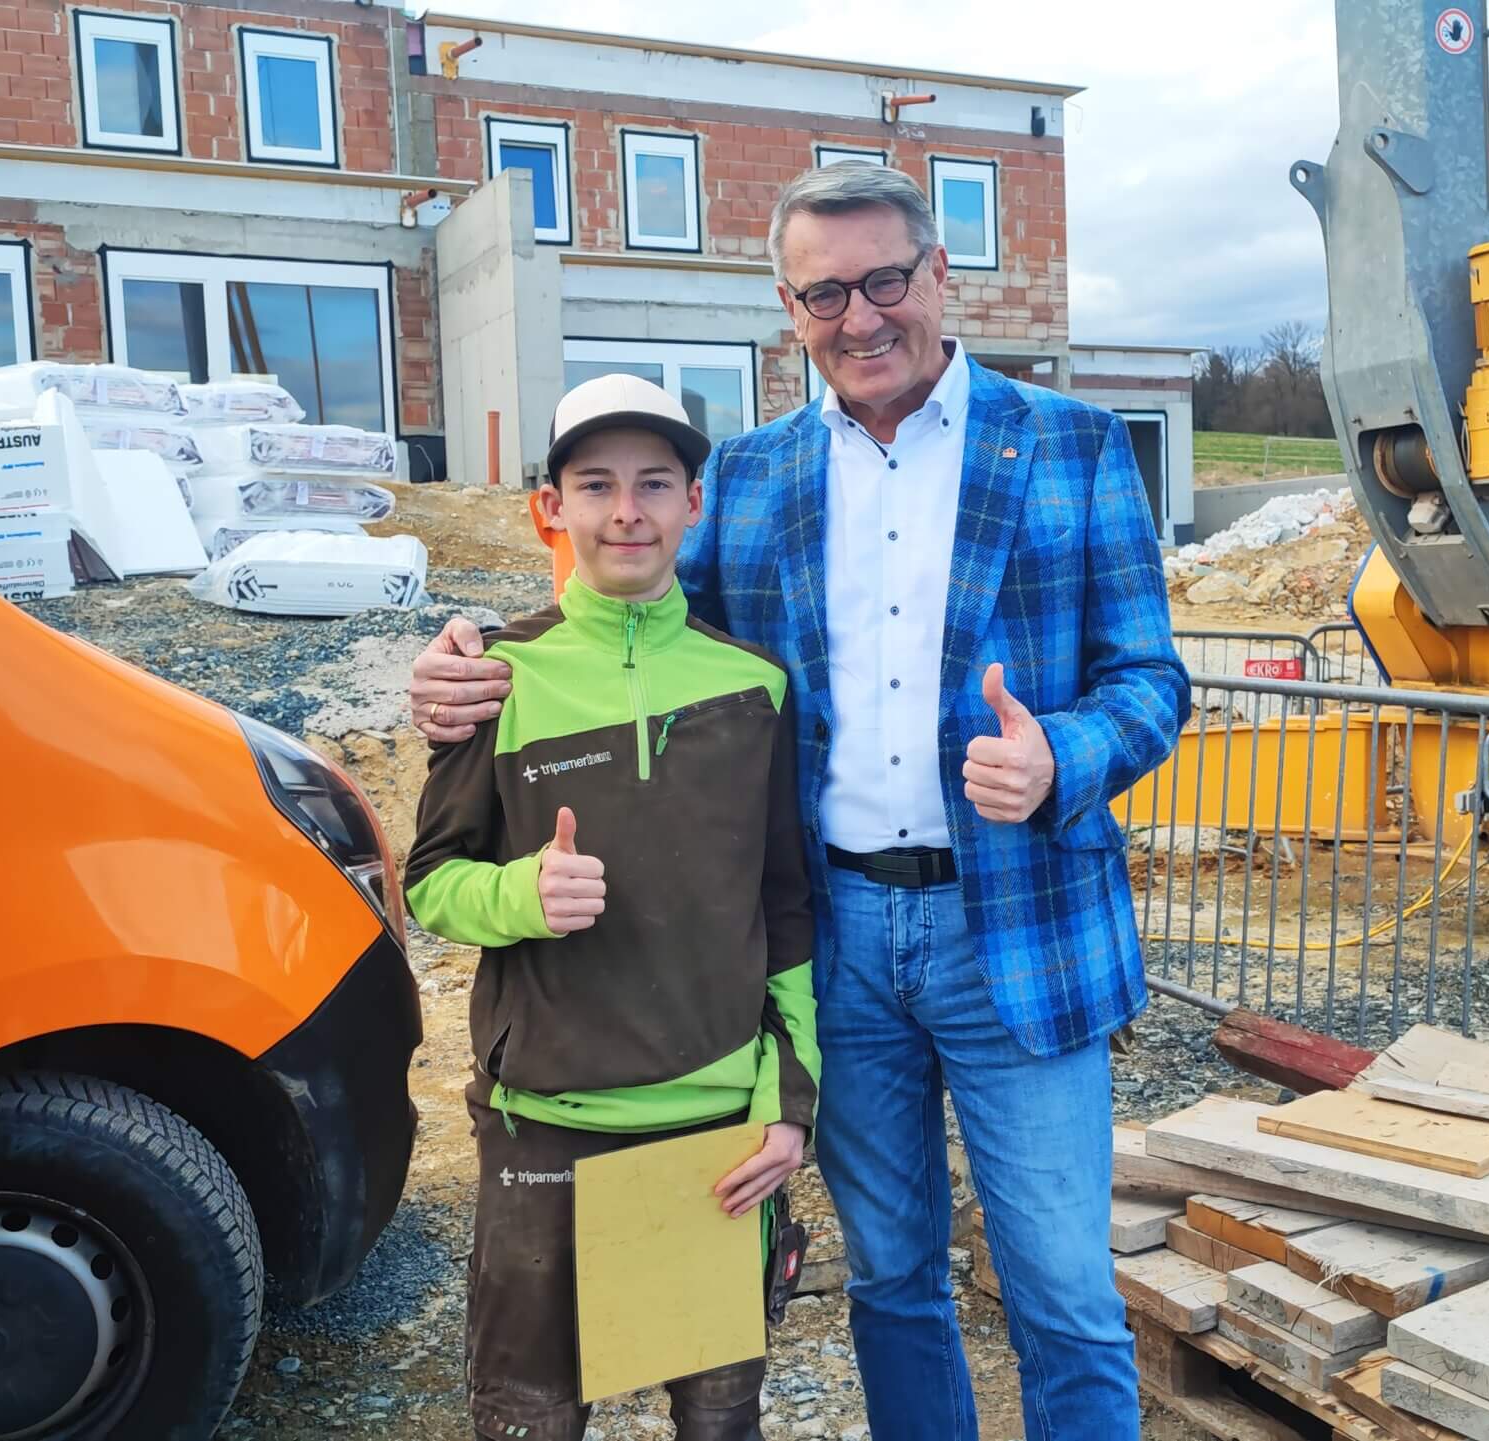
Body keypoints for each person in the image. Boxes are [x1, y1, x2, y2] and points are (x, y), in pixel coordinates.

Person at [410, 164, 1188, 1440]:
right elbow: (641, 611)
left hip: (1023, 922)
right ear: (790, 309)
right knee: (891, 1278)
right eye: (825, 293)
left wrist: (1064, 755)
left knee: (1062, 1292)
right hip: (839, 939)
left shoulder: (1072, 443)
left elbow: (1151, 680)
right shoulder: (754, 475)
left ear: (939, 275)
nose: (860, 316)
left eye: (885, 280)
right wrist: (473, 656)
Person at [404, 373, 821, 1441]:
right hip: (547, 1123)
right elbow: (432, 880)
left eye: (654, 483)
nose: (626, 511)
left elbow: (784, 909)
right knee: (531, 1419)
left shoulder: (756, 687)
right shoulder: (497, 676)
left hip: (713, 1131)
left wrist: (787, 1101)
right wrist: (522, 893)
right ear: (551, 507)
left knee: (718, 1420)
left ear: (695, 503)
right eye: (595, 485)